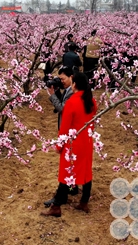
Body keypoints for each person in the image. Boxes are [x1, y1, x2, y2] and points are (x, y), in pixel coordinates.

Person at [41, 72, 97, 217]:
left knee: (66, 174)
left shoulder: (72, 103)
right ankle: (84, 202)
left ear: (75, 84)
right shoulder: (91, 101)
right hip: (87, 141)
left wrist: (59, 146)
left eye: (71, 82)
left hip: (73, 144)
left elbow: (64, 128)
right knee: (85, 171)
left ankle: (56, 206)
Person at [44, 66, 80, 207]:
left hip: (69, 133)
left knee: (67, 165)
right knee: (71, 164)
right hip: (71, 133)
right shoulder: (70, 90)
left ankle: (61, 196)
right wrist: (57, 91)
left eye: (63, 79)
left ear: (72, 77)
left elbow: (63, 110)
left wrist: (52, 94)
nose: (61, 81)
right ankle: (73, 188)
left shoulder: (72, 92)